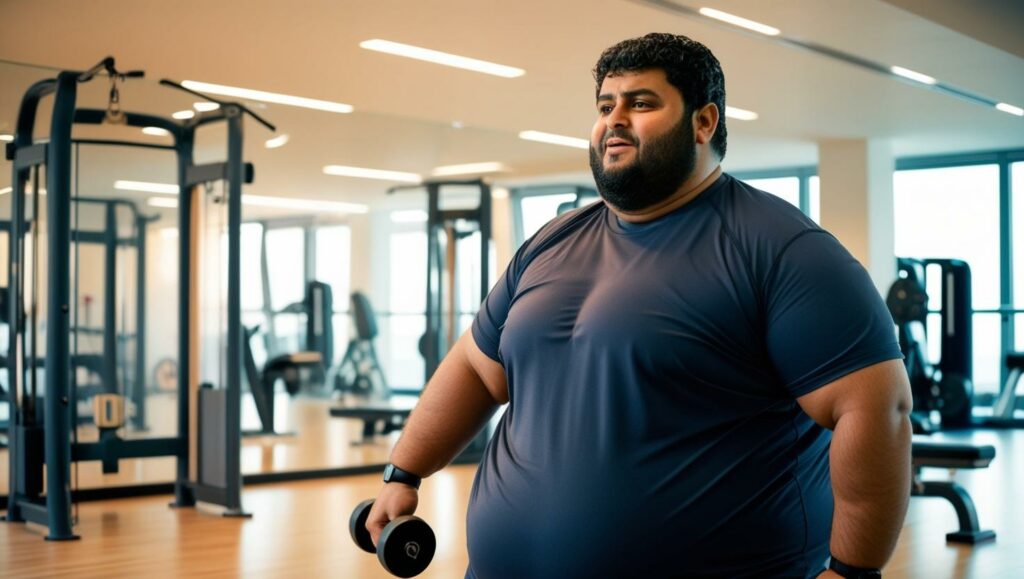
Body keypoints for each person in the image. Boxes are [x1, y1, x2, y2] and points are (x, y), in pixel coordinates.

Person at [366, 32, 912, 579]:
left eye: (641, 103)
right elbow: (476, 369)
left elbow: (875, 408)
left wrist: (851, 572)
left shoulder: (783, 250)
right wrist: (404, 472)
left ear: (704, 122)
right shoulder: (550, 242)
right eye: (606, 105)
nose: (615, 119)